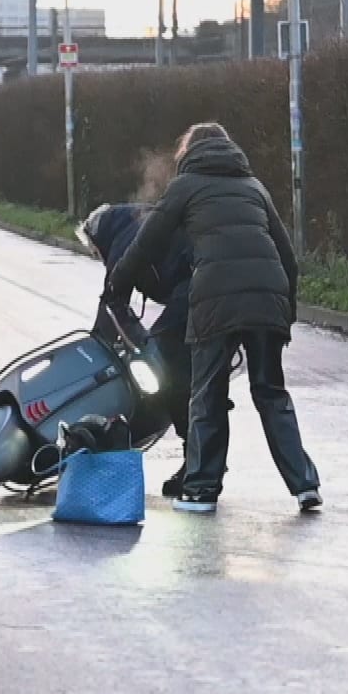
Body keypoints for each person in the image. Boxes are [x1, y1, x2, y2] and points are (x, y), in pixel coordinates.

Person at [108, 122, 321, 514]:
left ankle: (202, 490)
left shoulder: (186, 186)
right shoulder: (254, 187)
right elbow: (287, 256)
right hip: (267, 300)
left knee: (206, 393)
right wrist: (285, 314)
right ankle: (305, 484)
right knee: (272, 394)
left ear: (189, 153)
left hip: (216, 300)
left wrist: (116, 285)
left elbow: (146, 243)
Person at [77, 202, 199, 498]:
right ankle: (200, 460)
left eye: (95, 251)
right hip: (206, 284)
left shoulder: (123, 239)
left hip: (195, 289)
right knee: (185, 370)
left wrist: (102, 343)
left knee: (167, 367)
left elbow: (112, 301)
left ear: (99, 236)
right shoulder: (137, 223)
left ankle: (197, 464)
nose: (98, 256)